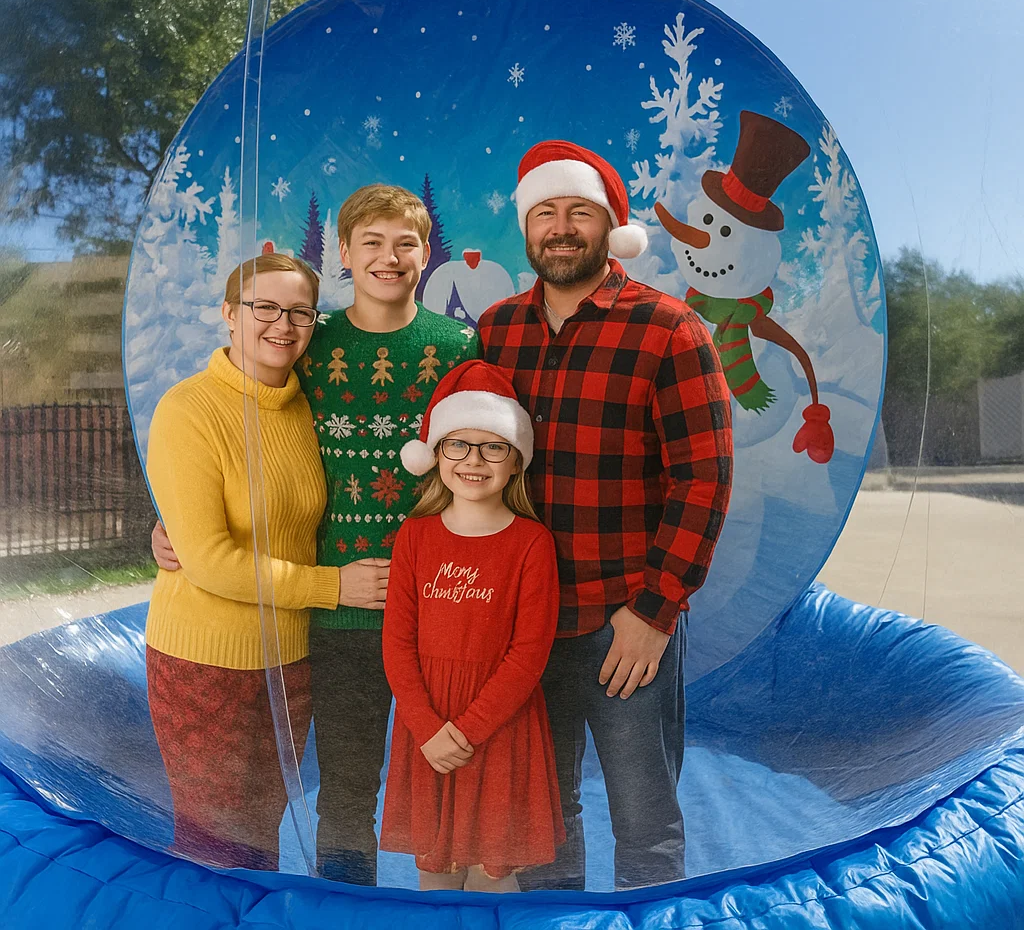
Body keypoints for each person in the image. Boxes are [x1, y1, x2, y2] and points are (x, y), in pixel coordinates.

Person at [152, 184, 480, 884]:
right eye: (372, 243)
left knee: (449, 787)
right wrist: (177, 526)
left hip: (439, 606)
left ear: (426, 253)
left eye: (405, 243)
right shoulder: (310, 345)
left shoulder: (458, 348)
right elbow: (228, 425)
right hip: (332, 622)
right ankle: (343, 911)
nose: (389, 258)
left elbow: (490, 463)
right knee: (342, 796)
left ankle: (452, 913)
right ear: (344, 256)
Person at [477, 140, 734, 890]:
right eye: (545, 213)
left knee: (645, 823)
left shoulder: (669, 329)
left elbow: (703, 478)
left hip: (624, 622)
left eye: (578, 212)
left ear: (609, 227)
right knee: (541, 822)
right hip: (522, 622)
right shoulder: (495, 331)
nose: (561, 228)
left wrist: (654, 611)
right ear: (527, 227)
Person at [144, 253, 343, 871]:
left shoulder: (307, 407)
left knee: (260, 837)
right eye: (266, 308)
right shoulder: (188, 409)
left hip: (288, 659)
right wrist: (334, 586)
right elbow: (207, 560)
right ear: (230, 314)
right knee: (213, 845)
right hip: (205, 662)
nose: (283, 324)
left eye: (300, 312)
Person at [381, 360, 563, 892]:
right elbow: (397, 644)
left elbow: (528, 654)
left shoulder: (532, 543)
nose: (474, 461)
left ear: (516, 461)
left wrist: (468, 731)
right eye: (458, 445)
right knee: (435, 873)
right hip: (428, 726)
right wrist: (427, 728)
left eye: (493, 448)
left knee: (491, 876)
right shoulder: (415, 536)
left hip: (498, 727)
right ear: (437, 454)